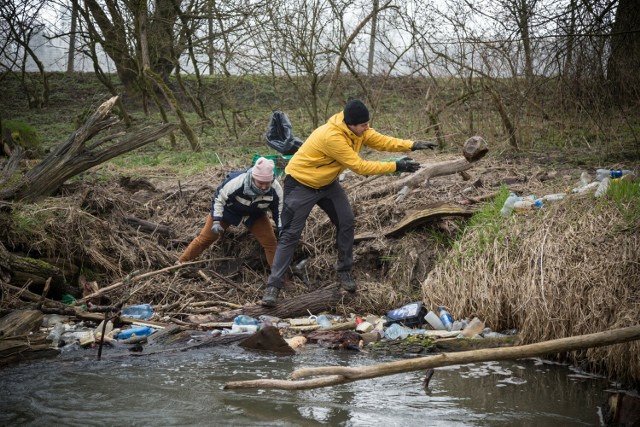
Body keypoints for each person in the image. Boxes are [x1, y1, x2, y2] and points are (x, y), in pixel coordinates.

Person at [261, 99, 436, 306]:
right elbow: (359, 167)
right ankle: (273, 287)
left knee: (346, 222)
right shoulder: (332, 137)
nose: (367, 128)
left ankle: (344, 272)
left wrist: (412, 145)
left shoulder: (358, 130)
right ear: (351, 124)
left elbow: (381, 141)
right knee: (290, 234)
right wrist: (395, 166)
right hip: (301, 183)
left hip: (327, 184)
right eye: (363, 125)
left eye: (367, 124)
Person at [178, 157, 283, 267]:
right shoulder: (236, 182)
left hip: (254, 214)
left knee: (270, 243)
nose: (264, 186)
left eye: (267, 183)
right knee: (206, 238)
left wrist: (281, 228)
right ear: (253, 177)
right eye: (261, 182)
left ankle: (279, 277)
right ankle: (181, 263)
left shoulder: (275, 189)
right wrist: (217, 221)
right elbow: (218, 199)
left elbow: (279, 210)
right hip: (228, 210)